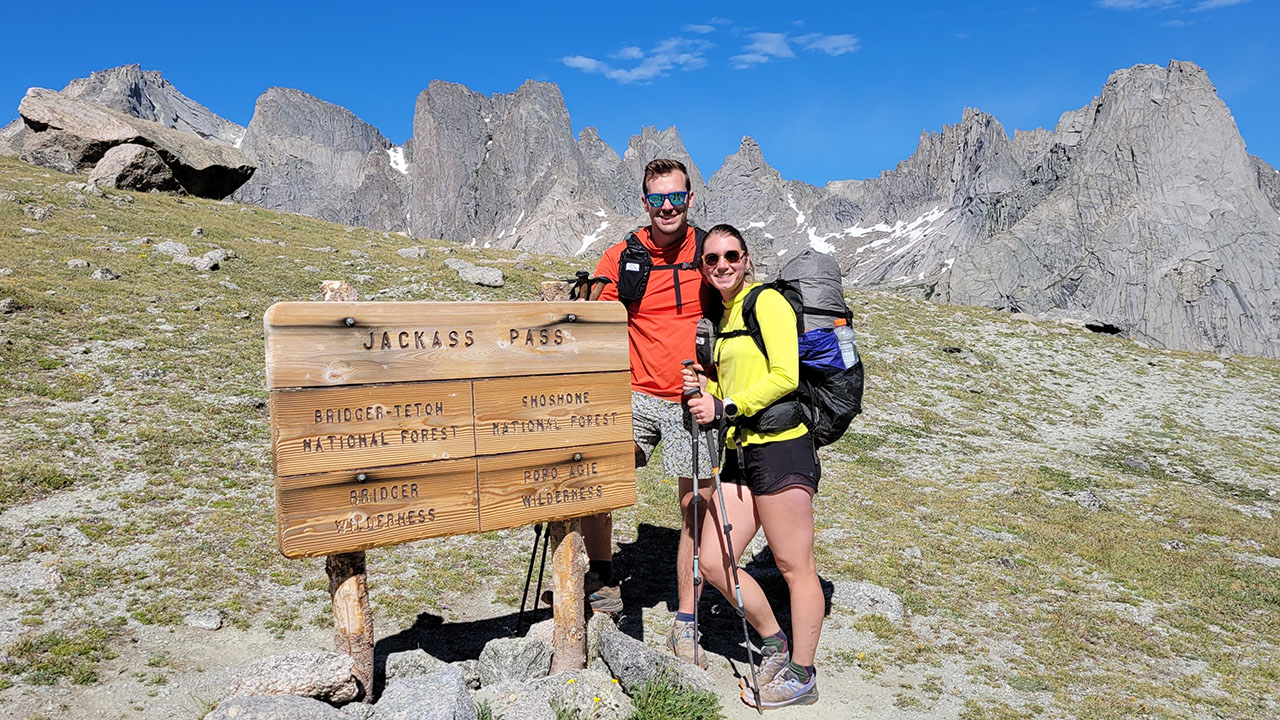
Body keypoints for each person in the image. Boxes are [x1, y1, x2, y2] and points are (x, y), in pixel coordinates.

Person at [683, 223, 823, 709]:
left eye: (731, 256)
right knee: (714, 562)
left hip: (783, 448)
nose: (721, 265)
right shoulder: (722, 317)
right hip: (741, 453)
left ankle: (802, 674)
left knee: (792, 564)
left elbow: (785, 375)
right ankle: (773, 642)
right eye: (711, 259)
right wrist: (708, 397)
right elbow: (737, 383)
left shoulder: (768, 303)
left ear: (746, 260)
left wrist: (726, 408)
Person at [579, 158, 713, 665]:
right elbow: (590, 318)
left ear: (690, 199)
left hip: (691, 397)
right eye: (657, 199)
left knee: (694, 508)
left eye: (676, 197)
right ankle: (604, 578)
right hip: (633, 392)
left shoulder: (710, 252)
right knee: (595, 479)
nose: (667, 208)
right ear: (644, 203)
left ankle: (686, 621)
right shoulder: (621, 256)